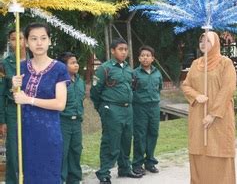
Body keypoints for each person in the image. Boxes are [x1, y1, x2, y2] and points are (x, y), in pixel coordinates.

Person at [12, 23, 70, 184]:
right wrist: (14, 86)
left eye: (43, 38)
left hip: (48, 132)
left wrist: (29, 100)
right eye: (34, 39)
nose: (39, 43)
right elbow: (17, 98)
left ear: (50, 41)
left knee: (48, 176)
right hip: (24, 132)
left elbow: (60, 104)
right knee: (26, 175)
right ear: (26, 43)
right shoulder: (21, 67)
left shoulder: (59, 69)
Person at [182, 31, 236, 184]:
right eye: (201, 40)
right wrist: (196, 95)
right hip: (198, 115)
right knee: (199, 152)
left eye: (208, 40)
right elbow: (186, 85)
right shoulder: (195, 64)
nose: (203, 43)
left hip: (220, 117)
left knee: (218, 152)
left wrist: (212, 114)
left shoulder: (225, 63)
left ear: (216, 43)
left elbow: (228, 89)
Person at [90, 38, 142, 184]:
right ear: (113, 51)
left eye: (126, 49)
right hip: (112, 109)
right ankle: (104, 173)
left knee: (126, 140)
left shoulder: (128, 69)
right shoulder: (104, 69)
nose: (124, 52)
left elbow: (132, 87)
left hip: (128, 109)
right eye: (120, 49)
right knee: (110, 141)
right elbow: (95, 91)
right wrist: (102, 108)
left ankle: (125, 168)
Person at [0, 30, 28, 184]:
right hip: (13, 110)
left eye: (20, 38)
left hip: (32, 109)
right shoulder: (4, 64)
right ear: (9, 42)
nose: (17, 42)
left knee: (31, 146)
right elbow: (1, 94)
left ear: (26, 41)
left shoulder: (34, 62)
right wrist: (2, 120)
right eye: (12, 39)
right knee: (13, 150)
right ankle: (13, 181)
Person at [132, 46, 163, 175]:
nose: (145, 57)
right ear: (139, 58)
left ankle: (150, 162)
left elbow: (159, 88)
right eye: (143, 55)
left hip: (154, 107)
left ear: (153, 58)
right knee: (140, 135)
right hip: (140, 108)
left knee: (153, 133)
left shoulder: (157, 73)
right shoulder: (135, 73)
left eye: (148, 55)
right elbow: (131, 89)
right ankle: (137, 164)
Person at [58, 52, 86, 183]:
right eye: (72, 63)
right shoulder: (60, 82)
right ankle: (61, 179)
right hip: (63, 121)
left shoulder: (80, 81)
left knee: (76, 150)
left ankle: (74, 179)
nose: (76, 65)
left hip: (77, 122)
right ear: (64, 66)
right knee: (63, 152)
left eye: (76, 62)